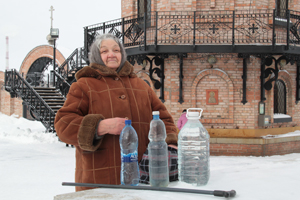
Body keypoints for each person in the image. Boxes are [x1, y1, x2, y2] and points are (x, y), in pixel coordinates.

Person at [54, 33, 178, 191]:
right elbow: (63, 125)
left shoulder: (142, 86)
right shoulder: (83, 86)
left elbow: (164, 119)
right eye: (104, 51)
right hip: (98, 182)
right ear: (97, 56)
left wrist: (170, 145)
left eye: (116, 50)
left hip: (143, 180)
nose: (111, 54)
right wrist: (99, 126)